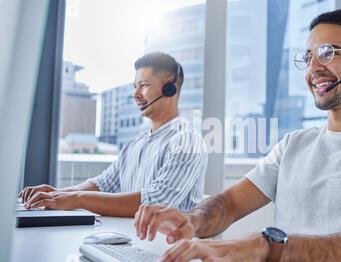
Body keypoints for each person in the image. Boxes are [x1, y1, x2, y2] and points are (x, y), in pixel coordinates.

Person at [133, 10, 341, 262]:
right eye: (309, 57)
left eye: (329, 52)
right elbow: (228, 205)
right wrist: (193, 218)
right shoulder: (294, 145)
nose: (314, 68)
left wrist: (269, 247)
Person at [20, 52, 208, 217]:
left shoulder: (188, 141)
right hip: (127, 242)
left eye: (143, 85)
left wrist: (76, 199)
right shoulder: (136, 143)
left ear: (169, 87)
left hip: (166, 248)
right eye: (135, 86)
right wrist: (57, 195)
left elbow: (157, 203)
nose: (136, 94)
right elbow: (102, 184)